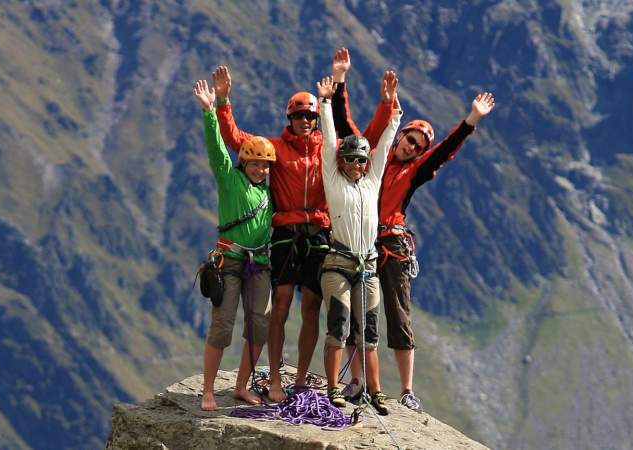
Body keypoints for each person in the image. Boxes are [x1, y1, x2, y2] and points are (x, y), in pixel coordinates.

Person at [334, 59, 497, 411]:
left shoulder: (413, 172)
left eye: (418, 146)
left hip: (390, 243)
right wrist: (341, 82)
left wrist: (471, 121)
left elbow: (444, 152)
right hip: (360, 240)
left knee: (398, 313)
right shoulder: (372, 156)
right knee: (354, 312)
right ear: (401, 134)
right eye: (410, 139)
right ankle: (357, 380)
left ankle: (407, 390)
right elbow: (346, 127)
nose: (412, 147)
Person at [211, 65, 330, 402]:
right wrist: (223, 101)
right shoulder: (275, 149)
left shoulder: (328, 149)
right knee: (279, 305)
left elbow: (360, 136)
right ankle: (276, 378)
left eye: (310, 116)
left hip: (318, 233)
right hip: (285, 235)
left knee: (311, 305)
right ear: (289, 119)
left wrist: (341, 90)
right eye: (299, 116)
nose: (305, 121)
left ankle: (302, 379)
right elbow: (235, 138)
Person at [314, 73, 401, 415]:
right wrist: (324, 103)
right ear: (341, 161)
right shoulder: (332, 179)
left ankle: (375, 391)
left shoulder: (372, 182)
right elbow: (329, 140)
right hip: (338, 264)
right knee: (339, 325)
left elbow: (387, 145)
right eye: (349, 159)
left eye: (361, 160)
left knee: (369, 333)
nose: (356, 164)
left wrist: (393, 106)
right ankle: (334, 387)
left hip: (367, 267)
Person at [192, 79, 275, 411]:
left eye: (265, 164)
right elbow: (216, 150)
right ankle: (208, 390)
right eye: (255, 162)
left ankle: (241, 385)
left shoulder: (270, 194)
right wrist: (211, 111)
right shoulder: (230, 179)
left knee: (259, 324)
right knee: (223, 325)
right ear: (244, 162)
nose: (260, 168)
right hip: (230, 261)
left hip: (259, 264)